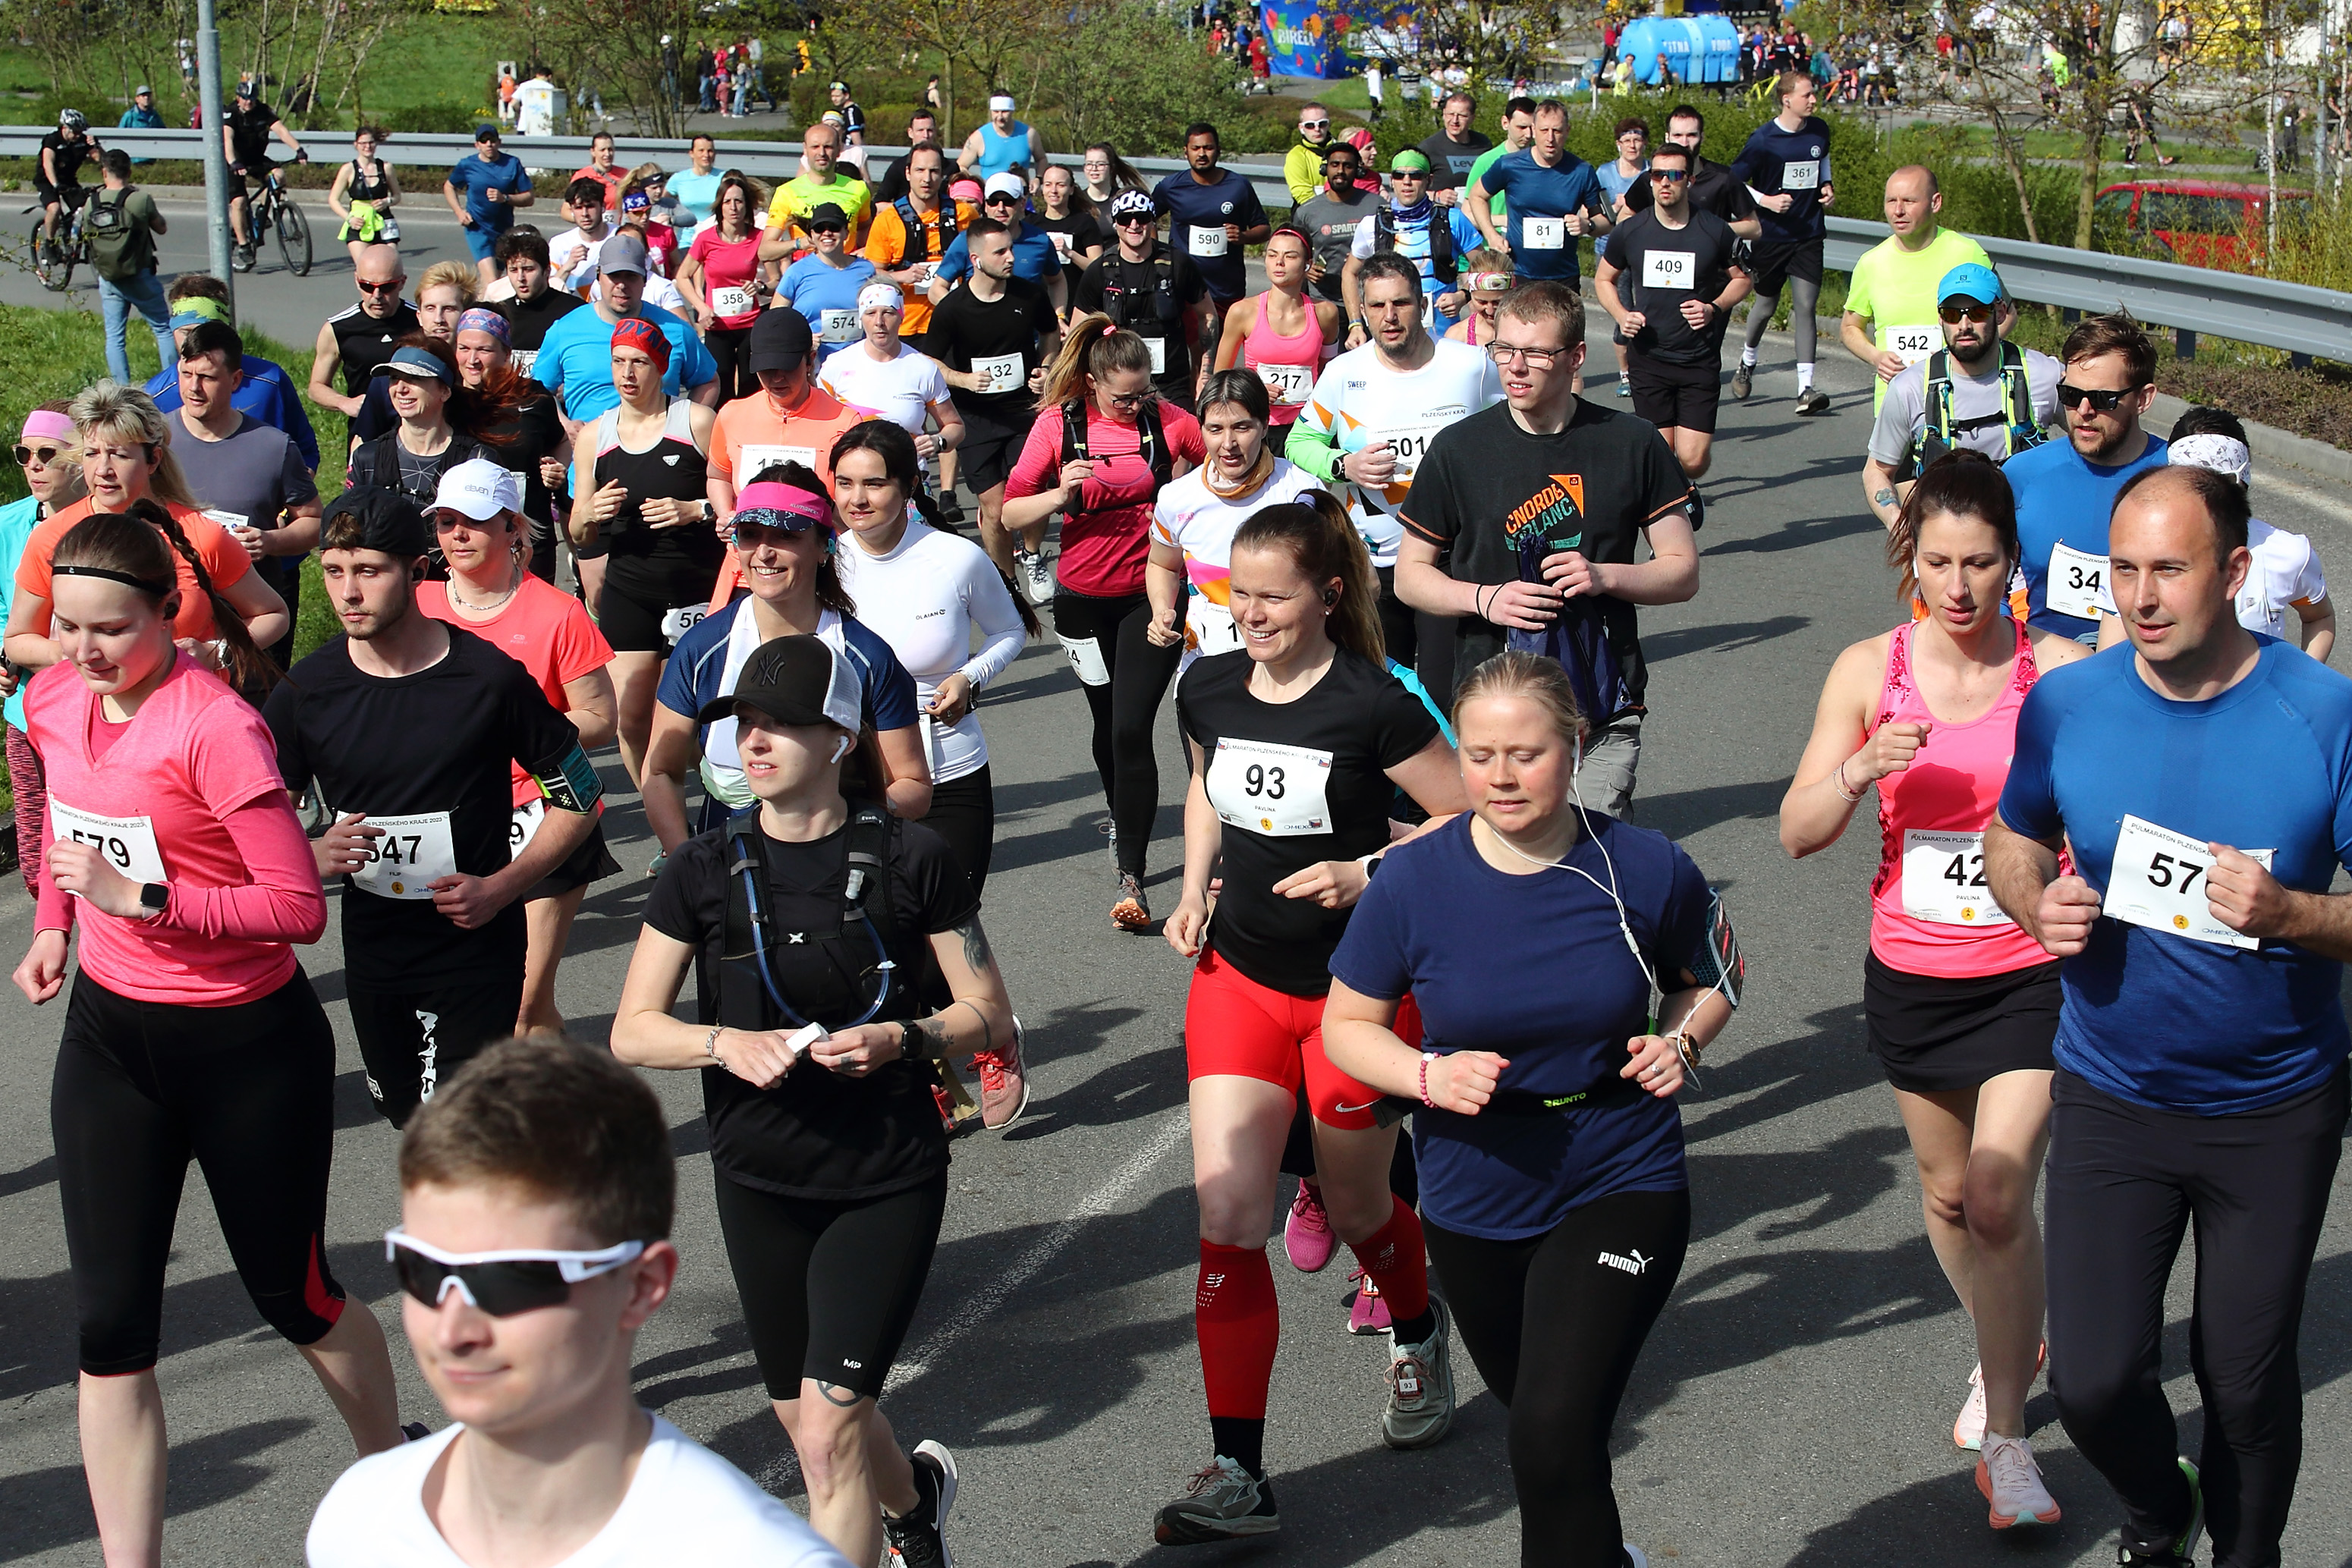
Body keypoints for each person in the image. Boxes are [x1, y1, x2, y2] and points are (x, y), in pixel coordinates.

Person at [13, 507, 409, 1568]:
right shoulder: (53, 697)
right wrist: (56, 925)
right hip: (110, 1040)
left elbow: (295, 907)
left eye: (112, 629)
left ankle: (394, 1477)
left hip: (245, 1048)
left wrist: (141, 899)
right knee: (109, 1330)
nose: (86, 651)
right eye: (68, 626)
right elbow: (68, 826)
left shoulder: (215, 726)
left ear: (169, 614)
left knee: (296, 1296)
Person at [1983, 464, 2352, 1568]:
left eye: (2170, 571)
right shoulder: (2069, 701)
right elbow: (2013, 831)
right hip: (2113, 1092)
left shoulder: (2320, 712)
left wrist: (2290, 912)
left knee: (2243, 1379)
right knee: (2092, 1381)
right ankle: (2158, 1506)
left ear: (2235, 573)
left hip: (2273, 1104)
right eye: (2124, 570)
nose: (2140, 598)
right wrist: (2030, 897)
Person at [1322, 649, 1740, 1568]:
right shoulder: (1413, 881)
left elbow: (1714, 975)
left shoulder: (1643, 866)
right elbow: (1346, 1027)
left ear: (1575, 746)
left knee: (1550, 1430)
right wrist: (1424, 1077)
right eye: (1479, 756)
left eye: (1526, 754)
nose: (1500, 777)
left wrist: (1680, 1042)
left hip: (1619, 1169)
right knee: (1545, 1428)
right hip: (1474, 1186)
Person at [616, 632, 1006, 1566]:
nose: (754, 742)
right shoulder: (701, 867)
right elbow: (632, 1029)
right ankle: (914, 1503)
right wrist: (723, 1043)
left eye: (781, 725)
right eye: (744, 723)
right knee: (808, 1420)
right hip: (758, 1176)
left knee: (828, 1436)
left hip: (885, 1175)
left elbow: (988, 1013)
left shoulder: (913, 858)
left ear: (839, 739)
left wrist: (904, 1038)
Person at [1781, 452, 2089, 1531]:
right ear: (1910, 556)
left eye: (1981, 563)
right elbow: (1797, 829)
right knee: (1950, 1197)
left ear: (2013, 561)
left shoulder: (2058, 672)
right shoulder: (1870, 670)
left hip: (2028, 973)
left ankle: (2007, 1442)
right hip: (1913, 975)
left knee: (1998, 1195)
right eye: (1939, 562)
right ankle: (2011, 1333)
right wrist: (1861, 766)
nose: (1958, 587)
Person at [1152, 497, 1467, 1545]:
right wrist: (1192, 888)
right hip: (1237, 978)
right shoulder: (1205, 685)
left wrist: (1366, 868)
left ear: (1328, 595)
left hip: (1357, 996)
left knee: (1362, 1207)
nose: (1249, 613)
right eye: (1236, 594)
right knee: (1229, 1215)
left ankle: (1416, 1328)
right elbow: (1206, 788)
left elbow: (1467, 818)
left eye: (1271, 597)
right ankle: (1238, 1472)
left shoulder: (1376, 701)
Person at [307, 1035, 856, 1567]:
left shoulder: (757, 1555)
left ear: (640, 1285)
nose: (453, 1330)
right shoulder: (357, 1519)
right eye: (423, 1269)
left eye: (512, 1278)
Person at [269, 487, 601, 1127]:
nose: (348, 593)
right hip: (374, 948)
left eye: (369, 571)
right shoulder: (306, 688)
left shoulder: (488, 678)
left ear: (418, 571)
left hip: (476, 946)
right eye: (334, 571)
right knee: (406, 1117)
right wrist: (308, 853)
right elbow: (260, 821)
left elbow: (580, 796)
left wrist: (502, 887)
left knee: (454, 1129)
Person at [1395, 281, 1699, 813]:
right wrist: (1485, 598)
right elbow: (1410, 576)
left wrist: (1604, 576)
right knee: (1504, 852)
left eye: (1536, 353)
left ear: (1575, 356)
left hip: (1600, 705)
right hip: (1493, 703)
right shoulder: (1458, 449)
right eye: (1504, 349)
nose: (1515, 366)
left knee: (1587, 849)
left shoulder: (1633, 441)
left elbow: (1682, 571)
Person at [1003, 318, 1206, 929]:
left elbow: (1225, 461)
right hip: (1080, 601)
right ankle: (1122, 812)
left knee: (1131, 725)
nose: (1136, 404)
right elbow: (1010, 511)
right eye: (1123, 397)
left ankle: (1132, 877)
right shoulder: (1057, 425)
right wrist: (1058, 495)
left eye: (1143, 391)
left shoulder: (1167, 421)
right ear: (1092, 384)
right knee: (1105, 720)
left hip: (1150, 597)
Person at [418, 460, 618, 1034]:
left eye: (475, 521)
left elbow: (600, 719)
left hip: (544, 810)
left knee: (524, 1000)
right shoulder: (416, 605)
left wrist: (512, 730)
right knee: (463, 996)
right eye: (446, 521)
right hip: (443, 814)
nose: (457, 534)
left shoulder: (558, 612)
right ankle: (542, 1083)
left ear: (512, 527)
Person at [643, 467, 929, 855]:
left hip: (835, 859)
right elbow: (660, 770)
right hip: (726, 859)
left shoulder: (866, 656)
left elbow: (913, 785)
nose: (764, 552)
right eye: (750, 535)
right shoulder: (702, 647)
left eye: (786, 535)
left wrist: (846, 822)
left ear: (825, 546)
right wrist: (688, 863)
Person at [1285, 254, 1499, 693]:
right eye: (1377, 305)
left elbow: (1512, 434)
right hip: (1373, 565)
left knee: (1445, 696)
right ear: (1362, 311)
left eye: (1400, 303)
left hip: (1449, 560)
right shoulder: (1344, 373)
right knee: (1381, 696)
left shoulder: (1472, 366)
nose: (1390, 317)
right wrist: (1345, 465)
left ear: (1423, 304)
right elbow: (1298, 443)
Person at [6, 383, 290, 687]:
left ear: (153, 459)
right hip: (88, 708)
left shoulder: (200, 535)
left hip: (185, 704)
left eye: (119, 455)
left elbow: (273, 614)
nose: (103, 470)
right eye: (92, 454)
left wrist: (215, 652)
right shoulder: (53, 536)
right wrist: (69, 654)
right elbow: (19, 638)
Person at [574, 317, 721, 787]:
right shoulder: (596, 435)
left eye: (639, 362)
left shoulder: (696, 421)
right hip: (631, 588)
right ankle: (662, 820)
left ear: (661, 367)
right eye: (618, 362)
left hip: (699, 588)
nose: (627, 373)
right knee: (631, 719)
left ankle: (722, 801)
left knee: (703, 721)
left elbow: (737, 503)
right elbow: (578, 533)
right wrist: (590, 513)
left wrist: (694, 509)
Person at [1591, 140, 1753, 518]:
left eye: (1675, 175)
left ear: (1689, 181)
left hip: (1698, 358)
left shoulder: (1713, 230)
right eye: (1658, 174)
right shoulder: (1632, 231)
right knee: (1660, 456)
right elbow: (1603, 279)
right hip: (1649, 358)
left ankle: (1685, 484)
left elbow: (1744, 279)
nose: (1665, 182)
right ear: (1650, 180)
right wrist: (1622, 314)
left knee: (1692, 460)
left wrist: (1713, 307)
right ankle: (1670, 523)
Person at [2093, 407, 2332, 661]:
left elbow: (2319, 617)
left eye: (2221, 484)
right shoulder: (2138, 557)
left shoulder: (2288, 554)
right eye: (2191, 488)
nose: (2208, 503)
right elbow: (2109, 658)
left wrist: (2301, 678)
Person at [1148, 371, 1329, 675]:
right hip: (1206, 666)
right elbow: (1162, 565)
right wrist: (1161, 610)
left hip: (1287, 670)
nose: (1228, 443)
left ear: (1264, 425)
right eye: (1215, 429)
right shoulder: (1177, 497)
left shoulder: (1300, 491)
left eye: (1242, 427)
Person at [2003, 313, 2168, 644]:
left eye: (2103, 399)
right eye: (2070, 395)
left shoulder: (2179, 476)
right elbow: (1985, 580)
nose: (2084, 411)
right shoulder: (2022, 474)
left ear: (2143, 399)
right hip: (2046, 667)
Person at [166, 320, 321, 667]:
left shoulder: (273, 447)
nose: (193, 388)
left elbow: (313, 522)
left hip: (249, 622)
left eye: (207, 378)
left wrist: (269, 541)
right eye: (186, 374)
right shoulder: (156, 441)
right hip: (171, 618)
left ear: (235, 380)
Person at [1861, 263, 2058, 530]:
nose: (1964, 326)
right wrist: (1899, 523)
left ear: (2000, 312)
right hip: (1946, 540)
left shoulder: (2044, 375)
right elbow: (1877, 470)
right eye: (1952, 314)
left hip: (2024, 535)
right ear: (1941, 319)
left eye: (1977, 312)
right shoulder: (1909, 388)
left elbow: (2095, 445)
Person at [923, 218, 1062, 595]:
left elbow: (1050, 332)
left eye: (1011, 249)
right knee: (996, 508)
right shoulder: (953, 308)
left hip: (1024, 411)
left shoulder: (1029, 295)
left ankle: (1032, 554)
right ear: (976, 259)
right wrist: (963, 379)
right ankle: (1007, 582)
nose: (1011, 258)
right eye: (1000, 252)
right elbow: (930, 360)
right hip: (976, 418)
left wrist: (1046, 369)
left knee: (1031, 490)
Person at [704, 311, 880, 598]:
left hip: (816, 575)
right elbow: (718, 476)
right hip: (747, 574)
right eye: (766, 369)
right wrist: (725, 514)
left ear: (810, 360)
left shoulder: (844, 421)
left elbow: (854, 498)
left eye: (787, 367)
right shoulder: (732, 415)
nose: (776, 378)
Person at [0, 404, 86, 893]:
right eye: (24, 454)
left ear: (79, 458)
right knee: (37, 857)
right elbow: (2, 612)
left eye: (47, 454)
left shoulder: (109, 525)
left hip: (98, 708)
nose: (33, 465)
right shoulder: (6, 525)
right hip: (27, 709)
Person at [1841, 166, 1994, 411]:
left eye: (1909, 201)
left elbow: (2006, 316)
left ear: (1935, 203)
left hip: (1959, 402)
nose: (1898, 211)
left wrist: (1966, 355)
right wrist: (1876, 357)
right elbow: (1850, 327)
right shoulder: (1871, 263)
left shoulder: (1967, 253)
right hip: (1894, 403)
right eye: (1891, 201)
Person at [1731, 73, 1836, 413]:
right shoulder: (1764, 139)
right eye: (1807, 95)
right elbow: (1733, 182)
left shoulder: (1819, 129)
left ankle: (1805, 389)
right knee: (1766, 307)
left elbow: (1822, 160)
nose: (1814, 100)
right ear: (1786, 99)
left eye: (1813, 94)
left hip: (1808, 234)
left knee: (1806, 306)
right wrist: (1766, 201)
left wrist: (1826, 186)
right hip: (1771, 236)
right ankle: (1747, 360)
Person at [534, 233, 720, 426]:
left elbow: (708, 381)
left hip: (658, 442)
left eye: (631, 277)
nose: (622, 285)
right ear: (598, 276)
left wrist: (683, 425)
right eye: (614, 276)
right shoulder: (565, 330)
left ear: (645, 280)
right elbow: (538, 391)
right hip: (589, 442)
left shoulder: (676, 330)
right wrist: (564, 426)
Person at [144, 280, 320, 470]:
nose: (195, 341)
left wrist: (295, 485)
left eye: (206, 332)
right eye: (186, 332)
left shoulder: (270, 381)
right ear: (173, 331)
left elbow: (305, 449)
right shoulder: (156, 395)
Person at [449, 307, 570, 583]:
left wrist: (557, 467)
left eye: (484, 350)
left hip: (527, 539)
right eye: (464, 348)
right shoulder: (447, 399)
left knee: (531, 608)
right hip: (462, 540)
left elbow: (561, 440)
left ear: (506, 353)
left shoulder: (533, 396)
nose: (472, 360)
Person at [1076, 187, 1215, 413]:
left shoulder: (1179, 264)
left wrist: (1204, 373)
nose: (1134, 225)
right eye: (1125, 219)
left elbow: (1207, 315)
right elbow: (1079, 331)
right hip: (1120, 389)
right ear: (1115, 223)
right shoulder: (1099, 270)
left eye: (1141, 217)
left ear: (1152, 221)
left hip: (1172, 384)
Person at [1464, 99, 1611, 297]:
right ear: (1533, 130)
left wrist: (1588, 225)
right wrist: (1491, 235)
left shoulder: (1582, 171)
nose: (1550, 138)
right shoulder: (1509, 165)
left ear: (1568, 131)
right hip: (1518, 273)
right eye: (1544, 130)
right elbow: (1477, 195)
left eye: (1557, 131)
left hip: (1564, 277)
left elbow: (1606, 222)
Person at [818, 285, 963, 482]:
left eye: (888, 312)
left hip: (907, 479)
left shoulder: (923, 368)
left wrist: (938, 441)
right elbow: (816, 422)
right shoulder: (836, 365)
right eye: (871, 313)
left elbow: (955, 426)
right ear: (861, 318)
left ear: (901, 316)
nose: (879, 322)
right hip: (852, 479)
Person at [1152, 123, 1271, 360]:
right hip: (1185, 286)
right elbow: (1146, 218)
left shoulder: (1238, 186)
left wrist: (1244, 236)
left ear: (1218, 150)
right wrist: (1158, 253)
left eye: (1208, 148)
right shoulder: (1171, 187)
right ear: (1186, 151)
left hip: (1226, 288)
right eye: (1196, 148)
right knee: (1193, 354)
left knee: (1222, 357)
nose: (1202, 154)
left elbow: (1264, 229)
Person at [343, 341, 506, 509]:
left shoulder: (478, 459)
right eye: (394, 378)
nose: (400, 389)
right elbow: (346, 521)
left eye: (414, 378)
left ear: (445, 391)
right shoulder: (367, 458)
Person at [1342, 151, 1479, 342]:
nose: (1406, 182)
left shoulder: (1453, 219)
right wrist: (1356, 324)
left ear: (1429, 180)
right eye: (1400, 175)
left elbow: (1487, 268)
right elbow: (1349, 272)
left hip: (1443, 335)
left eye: (1415, 176)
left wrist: (1463, 296)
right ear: (1392, 181)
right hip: (1392, 332)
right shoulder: (1372, 225)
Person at [1212, 229, 1341, 432]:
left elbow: (1330, 372)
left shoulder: (1326, 313)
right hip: (1258, 424)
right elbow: (1221, 375)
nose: (1279, 262)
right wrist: (1254, 391)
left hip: (1309, 425)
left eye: (1290, 256)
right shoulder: (1242, 311)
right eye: (1272, 255)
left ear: (1307, 264)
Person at [676, 172, 771, 402]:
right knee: (721, 383)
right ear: (720, 205)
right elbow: (682, 276)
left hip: (750, 324)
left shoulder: (760, 238)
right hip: (717, 324)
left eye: (739, 201)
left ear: (747, 205)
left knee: (751, 385)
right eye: (728, 201)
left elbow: (777, 281)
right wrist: (700, 307)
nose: (733, 207)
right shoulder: (706, 239)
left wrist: (760, 287)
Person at [310, 244, 423, 438]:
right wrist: (345, 403)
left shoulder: (420, 320)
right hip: (367, 434)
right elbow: (316, 387)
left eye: (386, 287)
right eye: (367, 287)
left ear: (402, 282)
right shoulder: (338, 328)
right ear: (357, 280)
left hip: (419, 431)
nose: (377, 296)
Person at [863, 141, 968, 345]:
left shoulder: (964, 214)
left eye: (934, 171)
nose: (927, 179)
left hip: (954, 321)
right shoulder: (887, 220)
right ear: (908, 173)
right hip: (906, 325)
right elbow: (870, 272)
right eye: (920, 170)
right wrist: (901, 276)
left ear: (942, 175)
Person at [85, 149, 171, 388]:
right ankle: (171, 384)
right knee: (163, 329)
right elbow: (161, 228)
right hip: (139, 274)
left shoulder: (91, 202)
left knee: (115, 337)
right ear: (129, 172)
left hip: (108, 277)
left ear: (104, 172)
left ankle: (121, 388)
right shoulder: (140, 199)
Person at [931, 172, 1069, 317]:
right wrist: (965, 315)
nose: (1000, 208)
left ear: (1022, 203)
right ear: (985, 205)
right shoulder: (968, 239)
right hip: (980, 329)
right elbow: (936, 290)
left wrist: (1058, 316)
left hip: (1028, 330)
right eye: (993, 201)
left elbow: (1057, 280)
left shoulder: (1040, 240)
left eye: (1008, 201)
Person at [1618, 104, 1761, 241]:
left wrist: (1711, 229)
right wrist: (1653, 230)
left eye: (1691, 135)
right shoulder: (1653, 178)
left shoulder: (1722, 178)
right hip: (1660, 255)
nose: (1684, 143)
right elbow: (1623, 218)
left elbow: (1754, 228)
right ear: (1667, 137)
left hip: (1709, 257)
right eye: (1678, 135)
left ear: (1702, 137)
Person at [779, 203, 880, 366]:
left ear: (846, 232)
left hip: (858, 362)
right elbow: (776, 318)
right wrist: (802, 339)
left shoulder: (866, 269)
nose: (827, 233)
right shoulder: (797, 271)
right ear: (812, 235)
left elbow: (877, 312)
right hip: (812, 363)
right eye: (820, 229)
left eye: (834, 227)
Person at [440, 123, 534, 289]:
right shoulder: (467, 165)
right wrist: (459, 212)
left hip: (503, 230)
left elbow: (529, 198)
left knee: (490, 283)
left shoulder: (512, 164)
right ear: (477, 145)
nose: (489, 144)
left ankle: (477, 303)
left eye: (492, 140)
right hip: (477, 229)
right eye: (484, 141)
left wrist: (505, 198)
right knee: (492, 281)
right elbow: (449, 186)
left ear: (499, 142)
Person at [223, 80, 304, 271]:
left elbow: (281, 130)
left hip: (257, 158)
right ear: (238, 98)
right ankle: (244, 245)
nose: (248, 102)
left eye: (252, 98)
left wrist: (298, 149)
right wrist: (234, 162)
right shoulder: (231, 113)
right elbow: (228, 139)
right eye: (245, 98)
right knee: (239, 202)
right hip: (234, 161)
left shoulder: (263, 110)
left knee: (279, 175)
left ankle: (262, 211)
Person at [492, 228, 586, 382]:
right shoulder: (499, 314)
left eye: (528, 269)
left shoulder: (575, 311)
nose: (521, 278)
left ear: (547, 271)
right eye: (514, 270)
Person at [1293, 143, 1380, 308]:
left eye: (1347, 166)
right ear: (1325, 169)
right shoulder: (1307, 211)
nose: (1340, 171)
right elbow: (1293, 251)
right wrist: (1306, 269)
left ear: (1358, 171)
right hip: (1324, 302)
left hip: (1370, 299)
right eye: (1335, 165)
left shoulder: (1377, 206)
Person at [765, 121, 873, 252]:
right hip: (806, 263)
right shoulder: (787, 192)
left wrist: (865, 250)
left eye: (828, 147)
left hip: (845, 263)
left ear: (839, 149)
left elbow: (864, 227)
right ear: (805, 149)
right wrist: (799, 244)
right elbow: (765, 250)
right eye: (815, 147)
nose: (822, 153)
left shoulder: (858, 188)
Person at [328, 125, 402, 264]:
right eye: (363, 143)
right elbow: (333, 200)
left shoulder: (386, 168)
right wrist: (349, 218)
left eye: (371, 142)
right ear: (356, 145)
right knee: (365, 267)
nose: (367, 147)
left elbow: (397, 196)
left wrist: (387, 201)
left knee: (389, 265)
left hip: (384, 221)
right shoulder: (348, 169)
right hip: (360, 223)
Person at [1462, 96, 1537, 230]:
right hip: (1496, 240)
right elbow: (1467, 215)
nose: (1528, 134)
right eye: (1522, 127)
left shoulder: (1543, 161)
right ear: (1505, 123)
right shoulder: (1486, 162)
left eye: (1533, 128)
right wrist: (1502, 220)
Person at [1420, 90, 1495, 200]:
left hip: (1478, 208)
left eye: (1462, 116)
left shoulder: (1483, 144)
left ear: (1472, 118)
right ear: (1443, 114)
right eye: (1450, 114)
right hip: (1442, 209)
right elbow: (1411, 189)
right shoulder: (1429, 148)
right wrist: (1437, 196)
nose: (1455, 120)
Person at [1033, 163, 1106, 275]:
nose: (1053, 190)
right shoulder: (1031, 223)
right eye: (1048, 185)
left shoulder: (1084, 222)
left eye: (1061, 185)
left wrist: (1069, 253)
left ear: (1071, 189)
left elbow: (1098, 269)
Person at [547, 177, 617, 294]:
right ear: (571, 210)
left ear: (603, 207)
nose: (585, 214)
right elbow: (548, 292)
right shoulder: (559, 243)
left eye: (590, 206)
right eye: (578, 208)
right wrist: (568, 266)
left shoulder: (620, 236)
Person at [961, 93, 1046, 183]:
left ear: (1012, 111)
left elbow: (1042, 159)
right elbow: (961, 166)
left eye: (1005, 112)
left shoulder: (1029, 134)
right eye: (996, 111)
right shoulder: (979, 137)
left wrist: (1038, 179)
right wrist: (976, 182)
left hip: (1021, 191)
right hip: (989, 191)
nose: (1000, 117)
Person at [1442, 253, 1514, 349]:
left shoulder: (1528, 331)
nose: (1490, 311)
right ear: (1471, 295)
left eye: (1497, 302)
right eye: (1481, 302)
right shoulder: (1457, 337)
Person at [869, 108, 940, 204]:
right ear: (910, 133)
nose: (926, 135)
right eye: (920, 130)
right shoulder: (898, 167)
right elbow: (878, 204)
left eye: (930, 130)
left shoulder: (949, 166)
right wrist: (905, 209)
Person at [1283, 102, 1337, 204]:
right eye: (1310, 125)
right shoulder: (1296, 155)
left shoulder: (1342, 151)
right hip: (1310, 211)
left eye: (1322, 124)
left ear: (1328, 124)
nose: (1317, 129)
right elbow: (1302, 193)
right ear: (1301, 128)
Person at [669, 134, 723, 228]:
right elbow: (662, 204)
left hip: (715, 233)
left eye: (710, 151)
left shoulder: (724, 178)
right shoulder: (679, 178)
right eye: (701, 150)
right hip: (686, 235)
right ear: (691, 153)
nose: (706, 155)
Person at [572, 130, 626, 211]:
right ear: (593, 152)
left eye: (610, 149)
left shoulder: (625, 175)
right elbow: (566, 210)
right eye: (602, 150)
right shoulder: (581, 176)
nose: (607, 154)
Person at [1082, 142, 1146, 207]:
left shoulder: (1125, 201)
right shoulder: (1078, 201)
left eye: (1101, 164)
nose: (1094, 169)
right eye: (1089, 164)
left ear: (1112, 168)